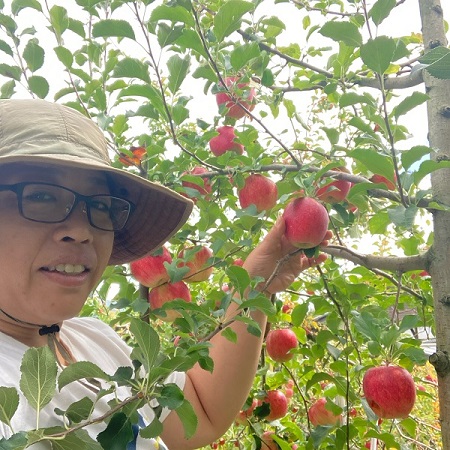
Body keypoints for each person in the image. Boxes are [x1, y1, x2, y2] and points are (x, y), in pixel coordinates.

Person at [0, 99, 330, 449]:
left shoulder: (95, 340)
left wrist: (258, 281)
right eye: (40, 195)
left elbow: (201, 415)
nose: (81, 229)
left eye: (101, 205)